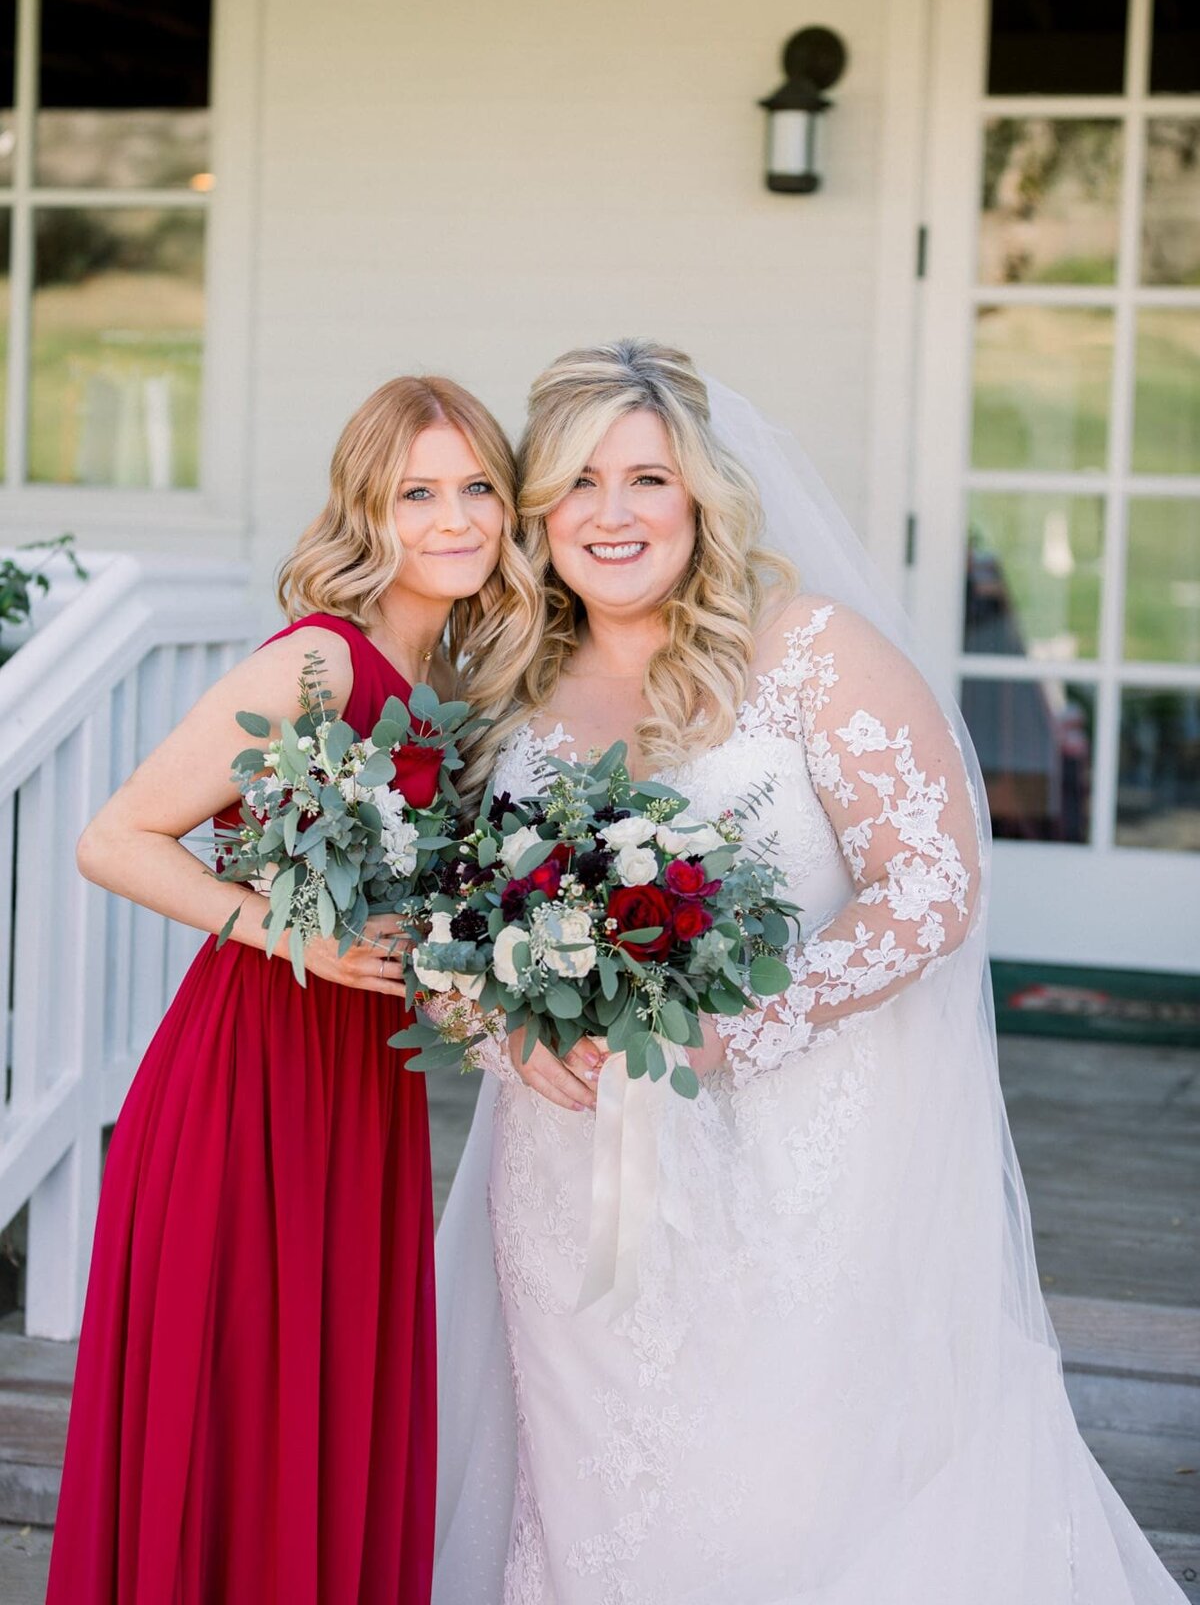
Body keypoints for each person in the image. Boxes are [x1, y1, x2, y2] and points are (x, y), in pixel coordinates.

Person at [433, 341, 1187, 1603]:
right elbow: (455, 913)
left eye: (647, 480)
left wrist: (730, 1029)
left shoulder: (809, 654)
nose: (611, 516)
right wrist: (501, 1024)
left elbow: (934, 883)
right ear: (536, 515)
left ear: (701, 498)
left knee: (788, 1486)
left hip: (796, 1158)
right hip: (567, 1164)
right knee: (593, 1480)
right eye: (577, 486)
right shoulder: (504, 684)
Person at [47, 375, 536, 1605]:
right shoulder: (322, 660)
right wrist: (291, 937)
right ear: (368, 508)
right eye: (419, 491)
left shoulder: (449, 694)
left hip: (357, 1090)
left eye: (478, 487)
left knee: (325, 1394)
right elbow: (114, 838)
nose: (455, 517)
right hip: (247, 1077)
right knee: (238, 1399)